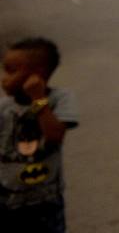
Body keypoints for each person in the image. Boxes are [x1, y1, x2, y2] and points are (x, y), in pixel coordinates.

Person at [1, 37, 79, 232]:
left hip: (45, 203)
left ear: (37, 75)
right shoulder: (3, 108)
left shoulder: (59, 99)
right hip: (5, 202)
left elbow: (54, 136)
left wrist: (38, 99)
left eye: (11, 71)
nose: (4, 78)